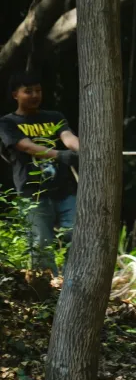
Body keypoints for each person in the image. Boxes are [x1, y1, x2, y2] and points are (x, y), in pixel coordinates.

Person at [0, 71, 80, 275]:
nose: (35, 95)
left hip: (65, 190)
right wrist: (58, 155)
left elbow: (68, 136)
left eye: (38, 90)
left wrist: (81, 149)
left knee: (76, 234)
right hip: (32, 193)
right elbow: (25, 146)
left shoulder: (55, 117)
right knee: (40, 243)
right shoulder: (7, 123)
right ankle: (47, 290)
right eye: (28, 91)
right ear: (15, 94)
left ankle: (74, 282)